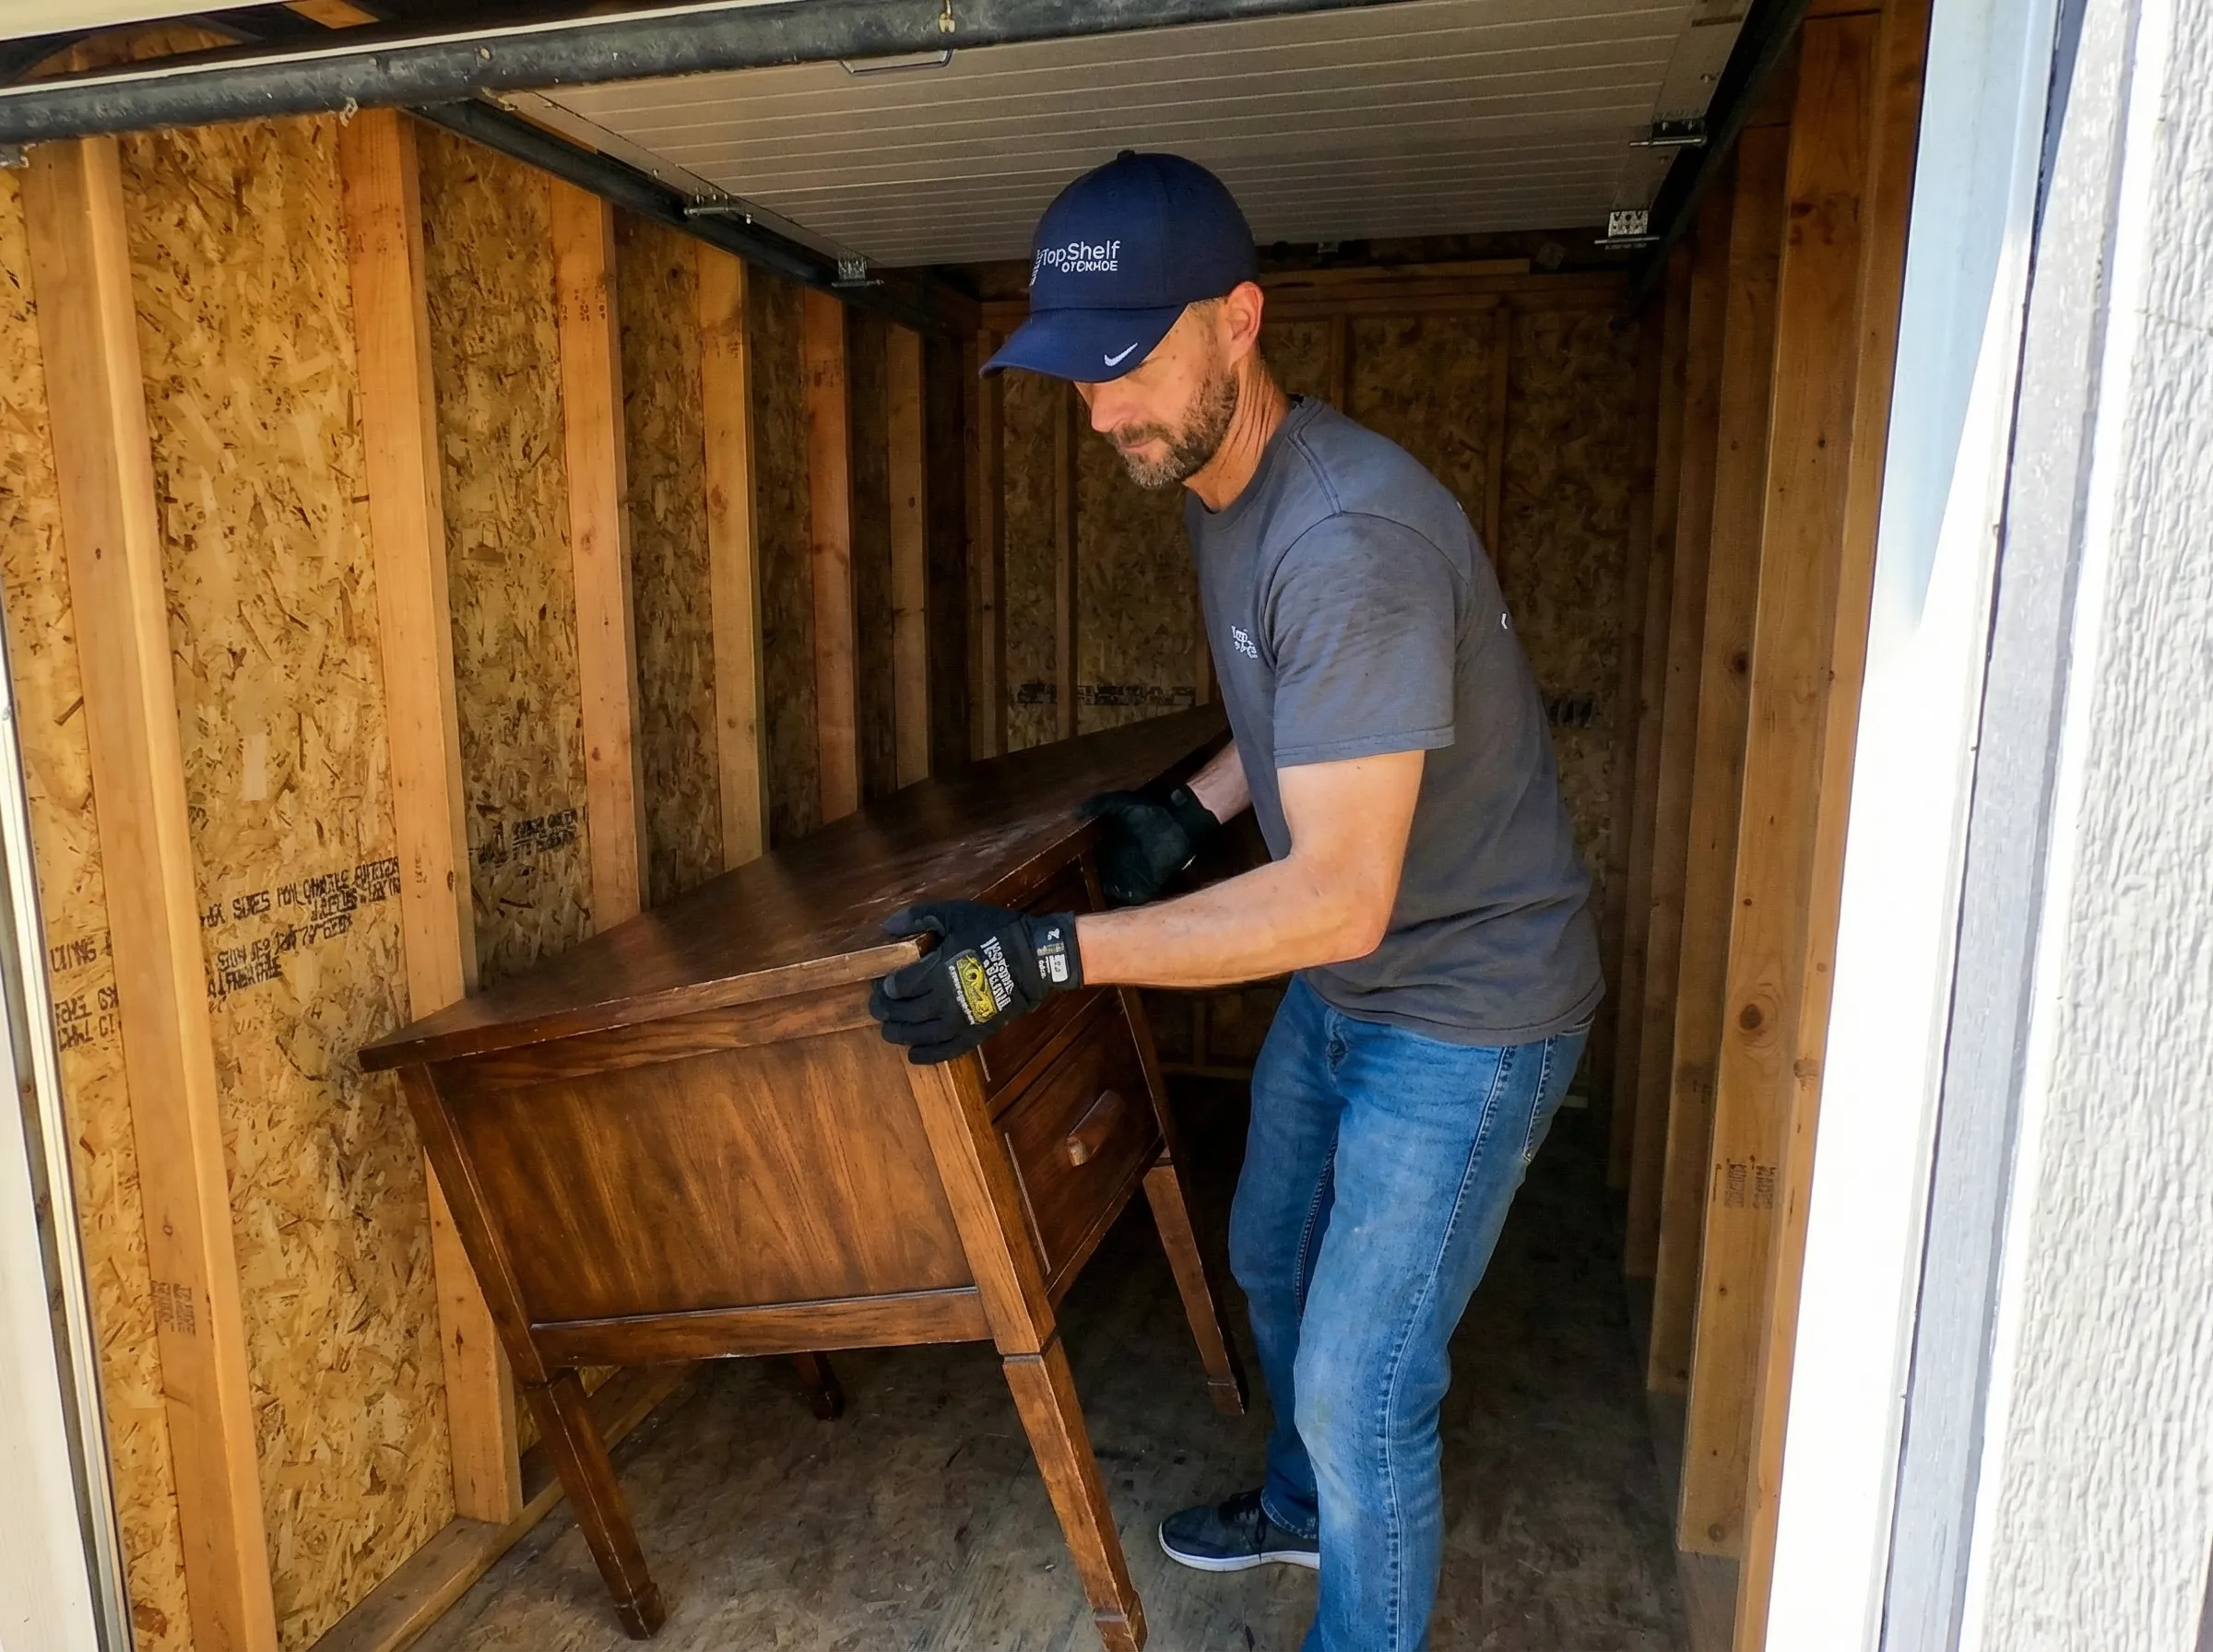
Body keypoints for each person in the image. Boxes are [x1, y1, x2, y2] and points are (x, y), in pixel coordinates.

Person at [866, 151, 1603, 1652]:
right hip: (1358, 993)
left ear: (1243, 320)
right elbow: (1313, 726)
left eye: (1127, 363)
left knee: (1362, 1382)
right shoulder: (1223, 486)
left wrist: (1041, 960)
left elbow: (1336, 896)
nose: (1101, 409)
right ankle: (1302, 1508)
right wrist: (1192, 810)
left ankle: (1350, 1573)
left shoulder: (1348, 539)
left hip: (1468, 1010)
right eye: (1078, 374)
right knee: (1270, 1255)